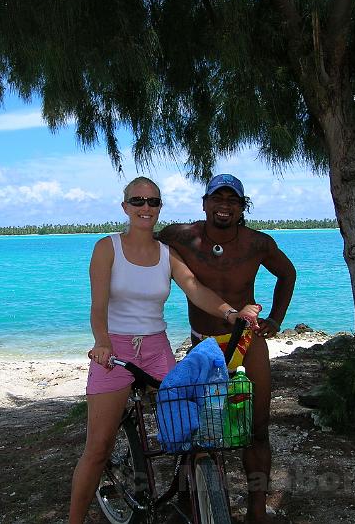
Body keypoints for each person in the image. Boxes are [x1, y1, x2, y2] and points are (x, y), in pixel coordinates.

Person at [69, 176, 260, 523]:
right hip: (114, 350)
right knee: (97, 450)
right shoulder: (106, 248)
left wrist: (230, 313)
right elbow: (98, 307)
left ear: (159, 208)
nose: (145, 208)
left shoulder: (166, 255)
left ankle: (196, 500)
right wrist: (102, 342)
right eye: (138, 201)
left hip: (157, 348)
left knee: (191, 429)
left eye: (153, 202)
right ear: (125, 207)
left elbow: (195, 288)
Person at [158, 173, 296, 524]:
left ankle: (256, 508)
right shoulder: (181, 237)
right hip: (204, 344)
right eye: (217, 199)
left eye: (232, 201)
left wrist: (276, 320)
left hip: (247, 342)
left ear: (241, 207)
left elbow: (287, 274)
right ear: (204, 204)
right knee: (203, 429)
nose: (224, 206)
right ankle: (199, 501)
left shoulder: (256, 243)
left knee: (257, 427)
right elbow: (141, 249)